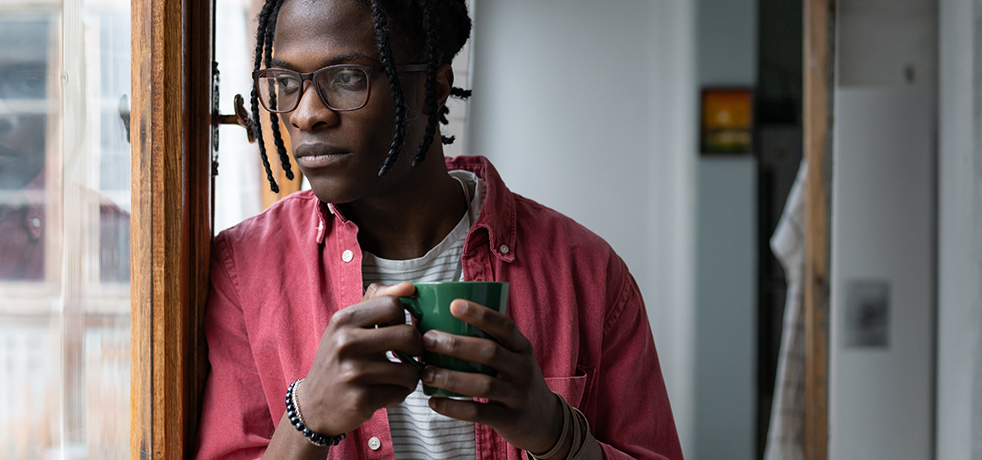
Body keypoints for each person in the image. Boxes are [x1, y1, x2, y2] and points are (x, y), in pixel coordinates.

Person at [195, 1, 683, 459]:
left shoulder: (587, 272)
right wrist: (308, 418)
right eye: (284, 81)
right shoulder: (243, 270)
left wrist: (555, 434)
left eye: (346, 77)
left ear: (434, 84)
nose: (306, 113)